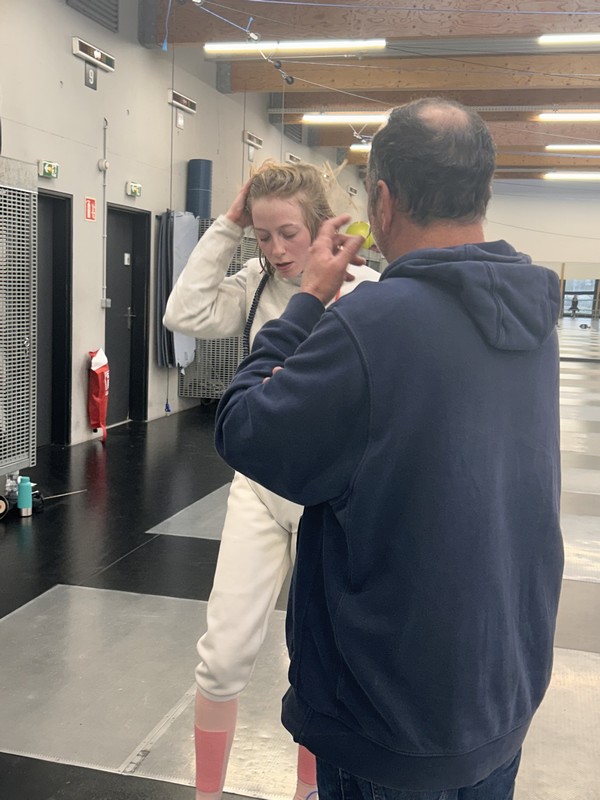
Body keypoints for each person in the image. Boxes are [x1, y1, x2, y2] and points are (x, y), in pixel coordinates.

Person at [214, 99, 564, 800]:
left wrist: (308, 300)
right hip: (498, 697)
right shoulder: (534, 315)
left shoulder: (373, 323)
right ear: (482, 191)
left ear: (382, 199)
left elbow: (244, 427)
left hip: (388, 721)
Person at [163, 161, 379, 800]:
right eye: (263, 235)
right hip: (259, 489)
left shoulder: (365, 292)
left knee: (318, 657)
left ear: (320, 226)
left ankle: (308, 791)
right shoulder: (253, 285)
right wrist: (229, 224)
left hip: (331, 499)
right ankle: (206, 793)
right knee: (223, 654)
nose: (277, 249)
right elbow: (183, 311)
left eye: (289, 233)